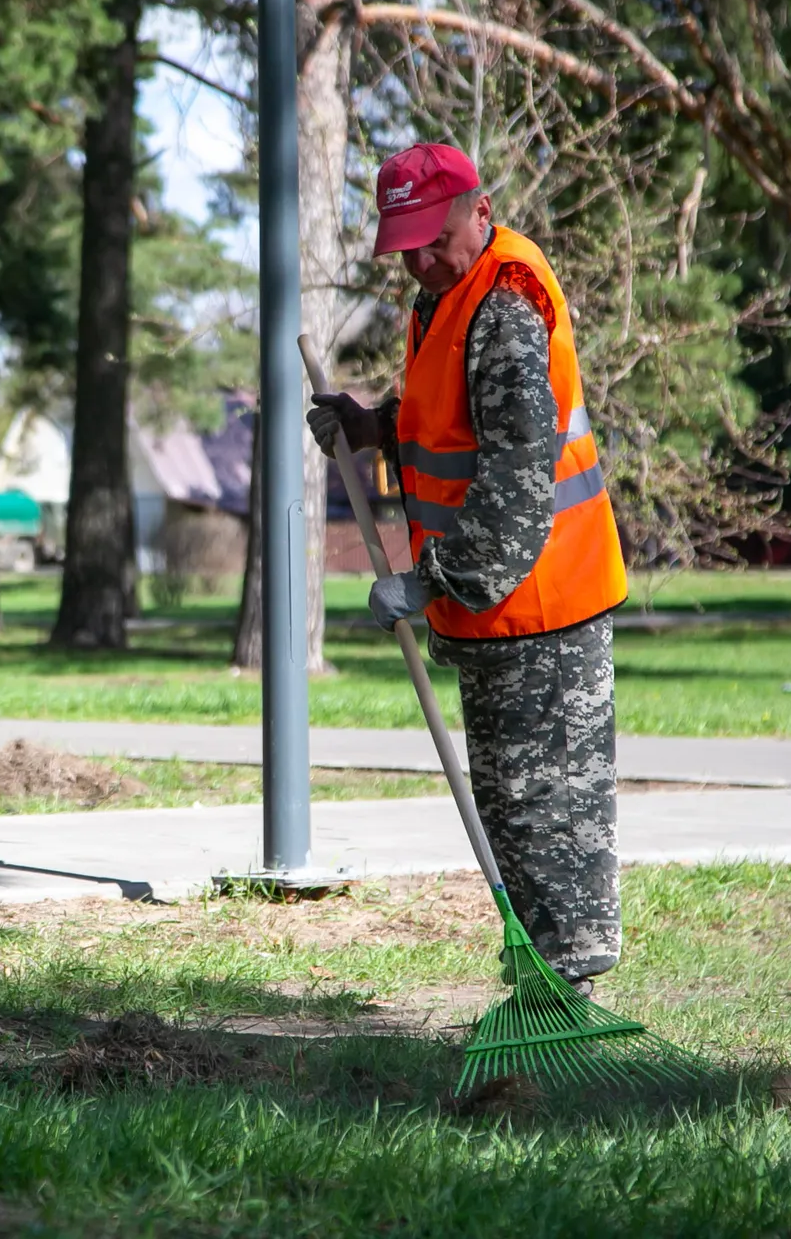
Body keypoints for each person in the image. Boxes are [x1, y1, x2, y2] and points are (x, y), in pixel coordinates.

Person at [308, 142, 629, 996]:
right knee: (512, 811)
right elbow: (450, 420)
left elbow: (518, 476)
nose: (417, 261)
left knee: (548, 814)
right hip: (500, 610)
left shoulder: (506, 308)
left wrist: (429, 582)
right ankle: (546, 989)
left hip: (544, 604)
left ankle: (569, 998)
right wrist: (372, 427)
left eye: (431, 241)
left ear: (480, 213)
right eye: (403, 248)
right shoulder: (446, 296)